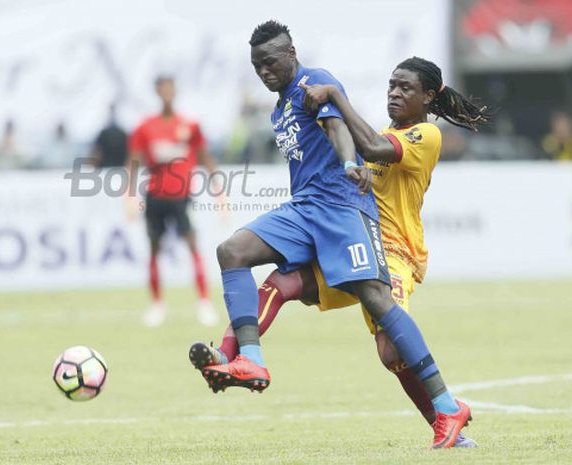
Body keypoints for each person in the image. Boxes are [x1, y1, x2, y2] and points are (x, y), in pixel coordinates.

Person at [189, 21, 476, 449]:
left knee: (390, 352)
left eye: (404, 88)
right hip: (318, 219)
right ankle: (240, 358)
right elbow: (358, 136)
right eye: (390, 86)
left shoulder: (423, 134)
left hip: (389, 245)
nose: (393, 93)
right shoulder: (296, 109)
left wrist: (341, 131)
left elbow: (351, 137)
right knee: (257, 267)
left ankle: (446, 409)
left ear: (428, 96)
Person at [128, 76, 219, 327]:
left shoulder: (189, 125)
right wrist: (129, 194)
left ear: (175, 91)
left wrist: (218, 189)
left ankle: (204, 302)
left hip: (181, 197)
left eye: (171, 87)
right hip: (155, 196)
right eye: (162, 88)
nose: (167, 92)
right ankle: (157, 304)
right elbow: (134, 160)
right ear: (157, 91)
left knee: (192, 245)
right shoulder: (146, 126)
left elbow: (204, 156)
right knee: (154, 248)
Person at [91, 103, 128, 168]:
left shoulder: (104, 133)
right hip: (120, 169)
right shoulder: (123, 133)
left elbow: (97, 153)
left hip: (105, 170)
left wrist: (92, 167)